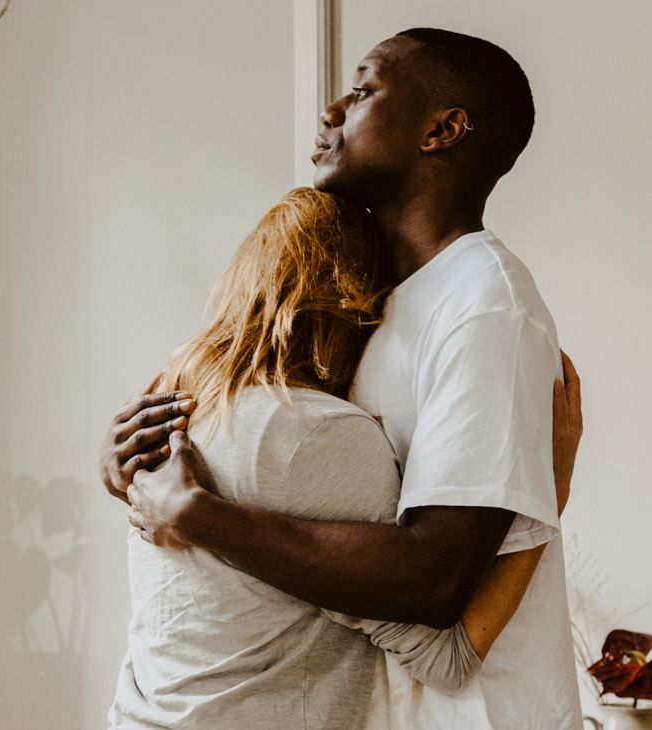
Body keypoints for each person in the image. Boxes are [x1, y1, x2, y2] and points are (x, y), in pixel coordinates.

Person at [106, 28, 582, 729]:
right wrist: (126, 461)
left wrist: (200, 516)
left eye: (362, 91)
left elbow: (435, 578)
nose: (331, 110)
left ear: (442, 130)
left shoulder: (486, 307)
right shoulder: (376, 300)